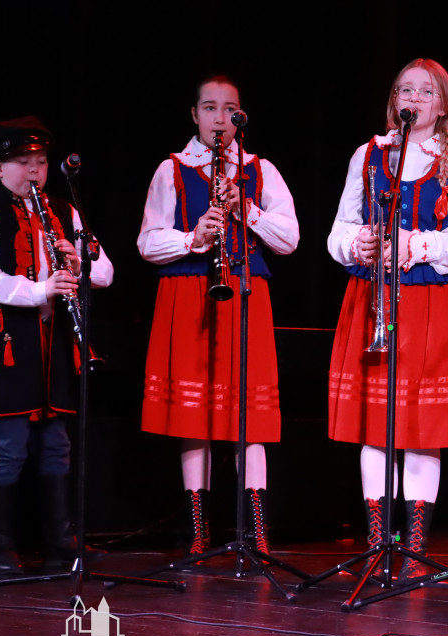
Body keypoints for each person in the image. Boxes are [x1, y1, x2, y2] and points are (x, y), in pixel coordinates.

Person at [326, 58, 448, 580]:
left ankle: (413, 548)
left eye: (424, 91)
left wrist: (415, 244)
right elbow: (337, 234)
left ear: (443, 103)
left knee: (423, 428)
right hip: (372, 296)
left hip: (430, 302)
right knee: (377, 424)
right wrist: (360, 241)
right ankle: (377, 544)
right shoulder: (368, 155)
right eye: (404, 90)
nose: (412, 99)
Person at [138, 75, 299, 557]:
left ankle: (254, 531)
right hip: (189, 295)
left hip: (246, 294)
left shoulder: (259, 170)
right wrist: (194, 238)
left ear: (240, 117)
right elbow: (147, 243)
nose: (220, 119)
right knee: (195, 413)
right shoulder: (171, 169)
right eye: (209, 108)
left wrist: (244, 208)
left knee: (249, 414)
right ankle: (198, 530)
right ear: (194, 115)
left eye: (230, 110)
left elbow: (289, 238)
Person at [0, 116, 115, 573]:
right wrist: (39, 291)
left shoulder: (65, 212)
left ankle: (61, 541)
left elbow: (105, 273)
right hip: (6, 342)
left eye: (40, 162)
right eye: (22, 162)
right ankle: (2, 546)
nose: (33, 171)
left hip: (54, 346)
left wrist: (76, 260)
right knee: (9, 444)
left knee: (56, 442)